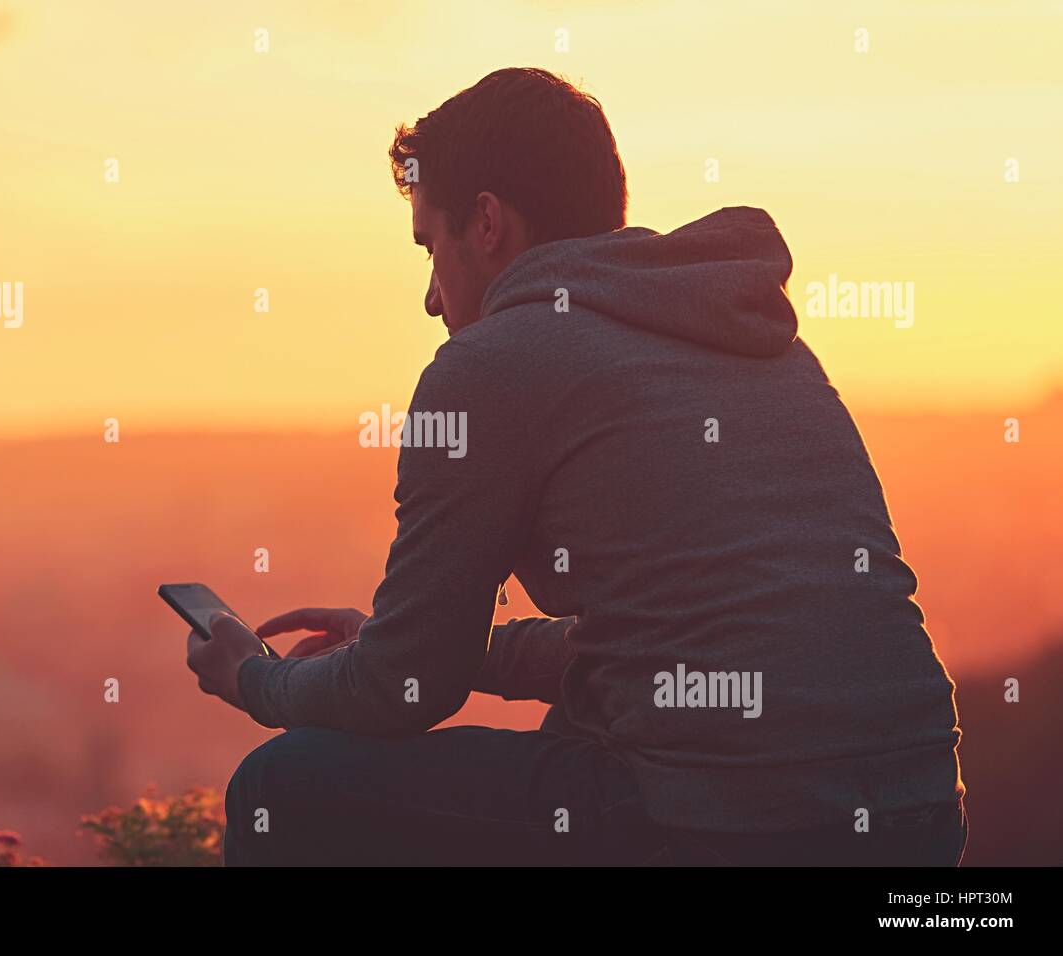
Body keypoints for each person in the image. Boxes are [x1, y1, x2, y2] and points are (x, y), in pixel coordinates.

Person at [185, 67, 968, 866]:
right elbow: (665, 650)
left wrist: (256, 681)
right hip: (922, 817)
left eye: (429, 244)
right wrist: (441, 644)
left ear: (486, 223)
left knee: (280, 790)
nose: (429, 296)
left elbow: (404, 690)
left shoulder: (491, 365)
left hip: (724, 824)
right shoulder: (759, 339)